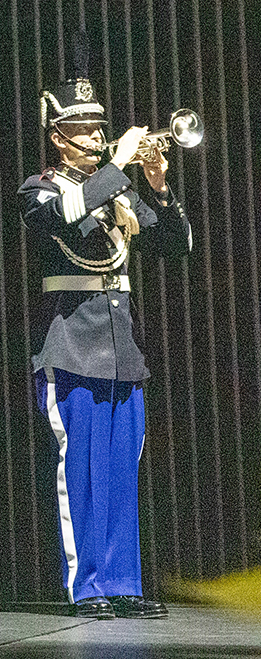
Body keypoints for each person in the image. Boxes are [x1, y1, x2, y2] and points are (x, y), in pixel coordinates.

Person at [21, 52, 192, 619]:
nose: (96, 134)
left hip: (122, 348)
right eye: (84, 128)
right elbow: (64, 216)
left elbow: (175, 246)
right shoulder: (40, 187)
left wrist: (158, 185)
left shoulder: (115, 189)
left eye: (99, 126)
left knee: (122, 473)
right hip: (71, 344)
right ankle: (88, 585)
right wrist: (117, 163)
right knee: (82, 475)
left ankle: (122, 582)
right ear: (58, 137)